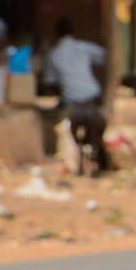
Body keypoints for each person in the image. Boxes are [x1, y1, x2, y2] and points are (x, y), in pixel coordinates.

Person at [46, 17, 111, 174]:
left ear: (56, 34)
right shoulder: (84, 47)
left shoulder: (54, 54)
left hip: (73, 104)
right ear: (72, 31)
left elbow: (50, 82)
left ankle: (82, 160)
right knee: (94, 130)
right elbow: (106, 56)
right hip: (92, 98)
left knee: (65, 129)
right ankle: (91, 158)